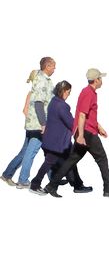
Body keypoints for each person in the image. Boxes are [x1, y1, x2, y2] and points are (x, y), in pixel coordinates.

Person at [44, 68, 109, 198]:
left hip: (87, 130)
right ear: (96, 80)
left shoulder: (88, 92)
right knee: (102, 159)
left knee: (71, 160)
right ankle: (108, 189)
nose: (102, 81)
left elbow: (88, 115)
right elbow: (82, 115)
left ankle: (51, 185)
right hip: (87, 133)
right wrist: (81, 136)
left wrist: (99, 127)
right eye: (100, 78)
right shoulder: (89, 93)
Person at [29, 81, 92, 195]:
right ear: (62, 91)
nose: (69, 94)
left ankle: (77, 184)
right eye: (68, 92)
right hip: (57, 143)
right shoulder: (62, 106)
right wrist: (84, 123)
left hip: (55, 141)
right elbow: (71, 123)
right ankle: (35, 185)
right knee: (50, 163)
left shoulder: (54, 101)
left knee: (71, 162)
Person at [1, 57, 56, 189]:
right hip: (39, 125)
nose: (55, 69)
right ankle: (23, 180)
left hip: (34, 125)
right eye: (53, 66)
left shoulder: (38, 83)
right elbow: (37, 105)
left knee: (26, 152)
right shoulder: (42, 82)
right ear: (47, 66)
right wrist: (43, 123)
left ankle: (7, 174)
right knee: (33, 153)